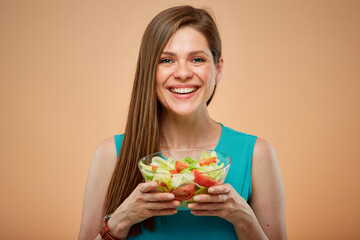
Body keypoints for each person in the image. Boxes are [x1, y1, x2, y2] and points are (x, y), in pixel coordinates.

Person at [78, 5, 287, 240]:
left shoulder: (258, 154)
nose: (183, 73)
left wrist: (244, 219)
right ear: (149, 71)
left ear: (218, 69)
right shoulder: (110, 154)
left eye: (197, 59)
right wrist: (120, 221)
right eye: (167, 60)